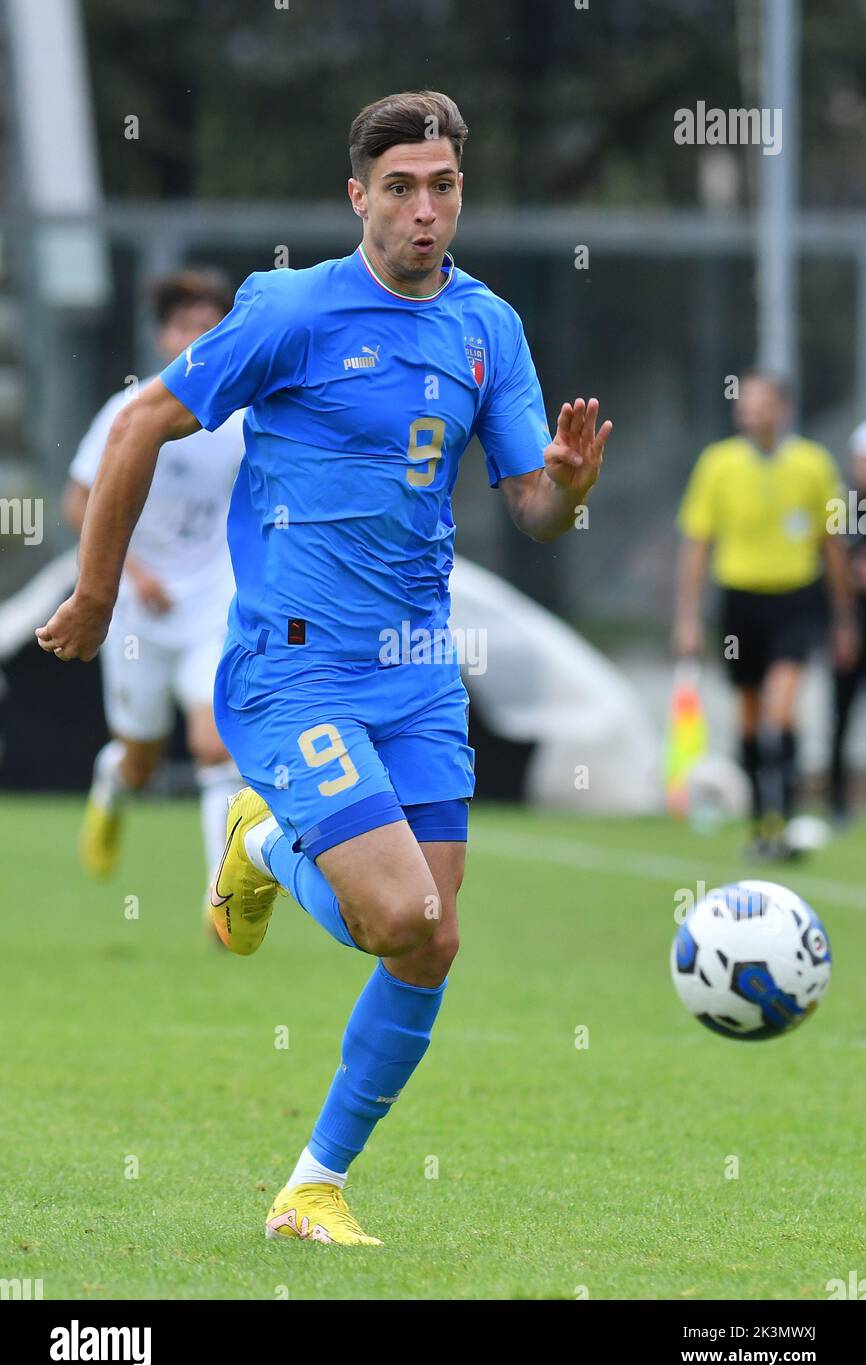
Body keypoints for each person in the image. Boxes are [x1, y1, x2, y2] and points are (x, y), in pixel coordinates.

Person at [37, 91, 611, 1246]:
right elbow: (143, 423)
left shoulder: (486, 329)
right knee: (389, 911)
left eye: (441, 187)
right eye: (399, 188)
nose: (422, 210)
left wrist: (566, 489)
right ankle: (255, 836)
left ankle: (312, 1187)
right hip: (291, 671)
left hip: (419, 675)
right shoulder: (289, 310)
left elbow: (532, 513)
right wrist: (97, 595)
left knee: (430, 938)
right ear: (359, 196)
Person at [62, 269, 245, 906]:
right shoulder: (128, 411)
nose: (196, 336)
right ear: (164, 336)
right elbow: (77, 502)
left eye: (209, 325)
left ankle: (219, 901)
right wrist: (133, 575)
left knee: (213, 744)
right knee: (140, 756)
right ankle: (112, 785)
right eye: (184, 325)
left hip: (213, 604)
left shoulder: (245, 420)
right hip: (136, 609)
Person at [673, 369, 857, 858]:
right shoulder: (718, 464)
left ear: (783, 408)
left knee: (782, 704)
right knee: (751, 715)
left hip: (797, 600)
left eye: (760, 402)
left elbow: (832, 545)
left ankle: (791, 817)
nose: (750, 410)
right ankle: (762, 824)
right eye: (745, 402)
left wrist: (843, 620)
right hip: (740, 602)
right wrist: (688, 617)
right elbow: (698, 542)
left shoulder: (813, 465)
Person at [829, 419, 866, 820]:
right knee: (841, 711)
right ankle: (837, 801)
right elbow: (831, 559)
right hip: (852, 622)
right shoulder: (843, 505)